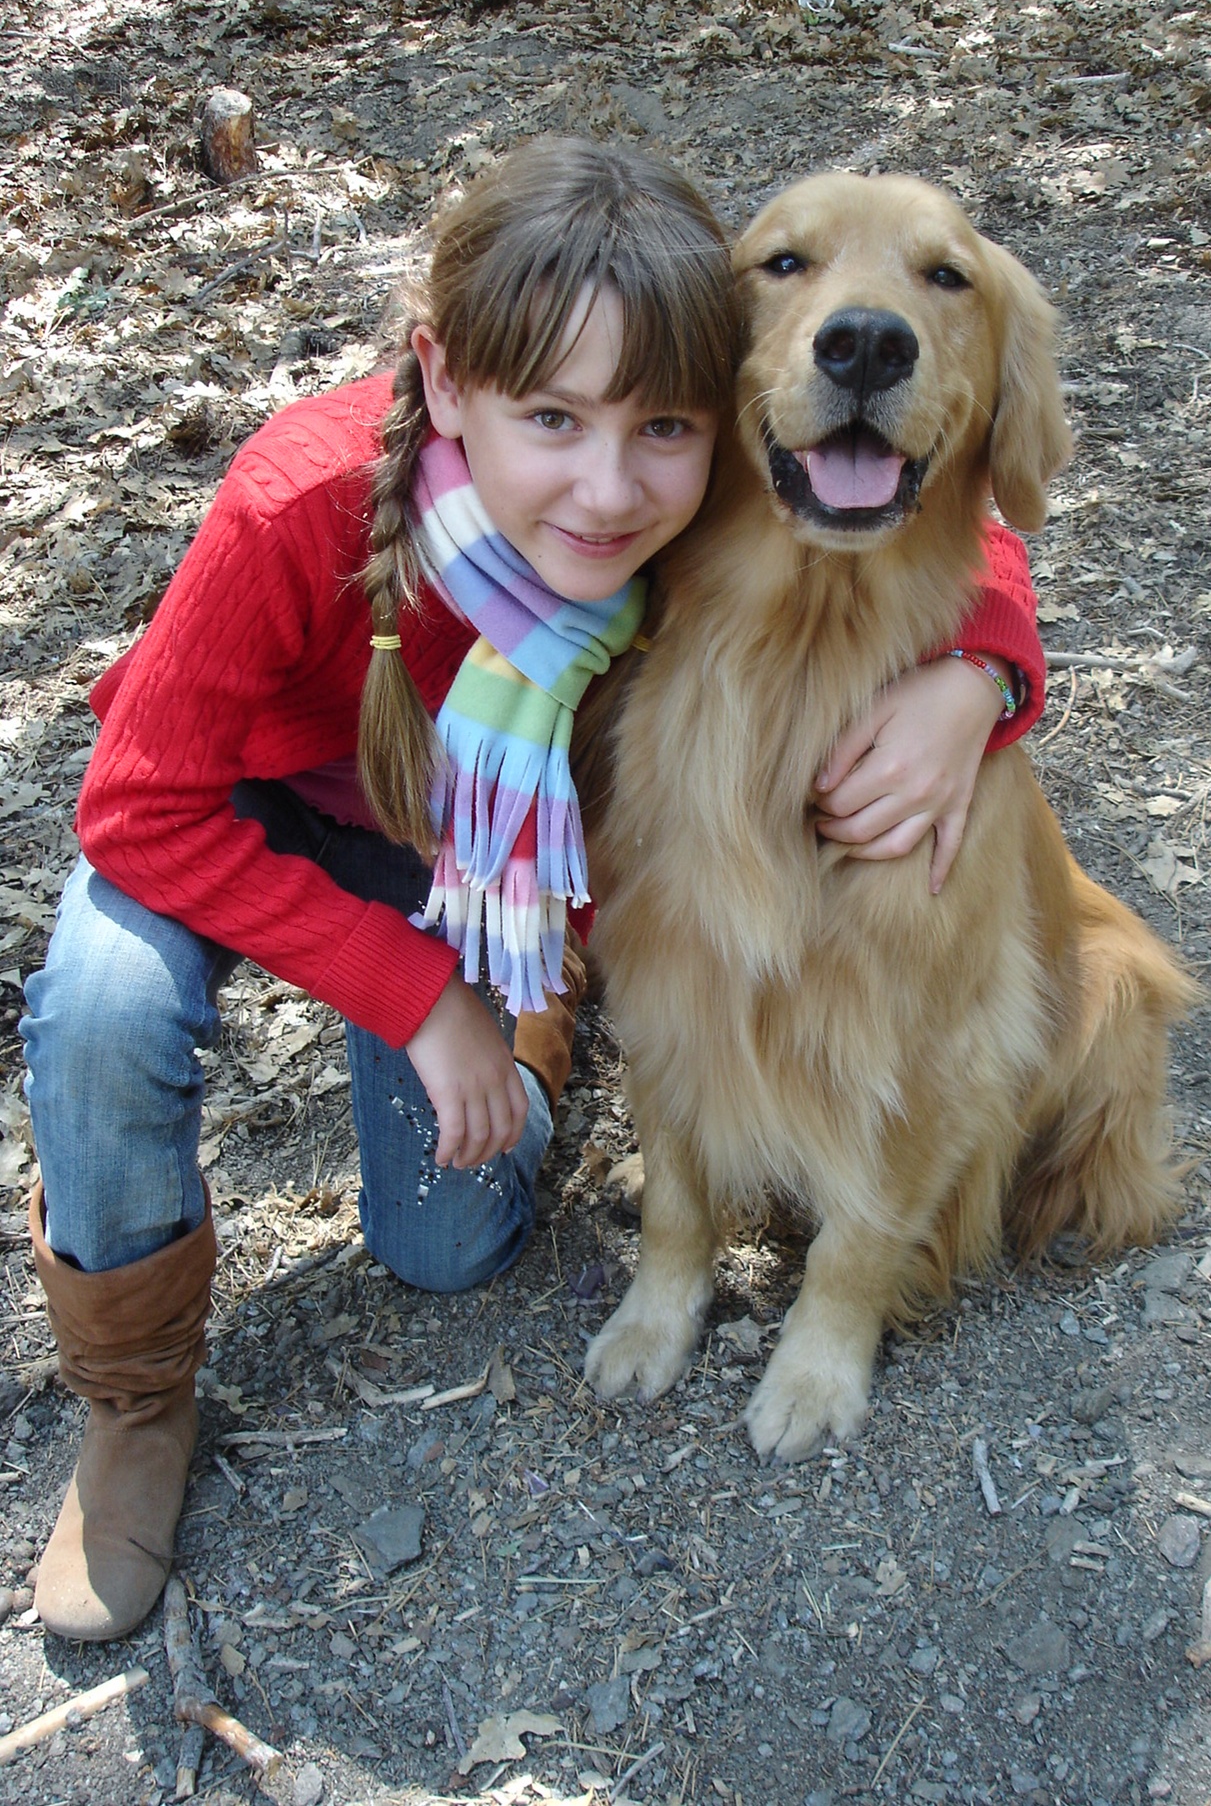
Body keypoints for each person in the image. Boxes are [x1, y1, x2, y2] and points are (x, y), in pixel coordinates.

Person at [19, 136, 1046, 1643]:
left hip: (453, 857)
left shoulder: (688, 501)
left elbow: (934, 492)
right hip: (220, 815)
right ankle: (129, 1404)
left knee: (451, 1248)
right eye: (550, 417)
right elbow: (134, 808)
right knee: (101, 1005)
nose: (606, 485)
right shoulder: (295, 503)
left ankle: (543, 1029)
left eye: (656, 427)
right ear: (443, 382)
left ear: (707, 416)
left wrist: (984, 670)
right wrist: (419, 996)